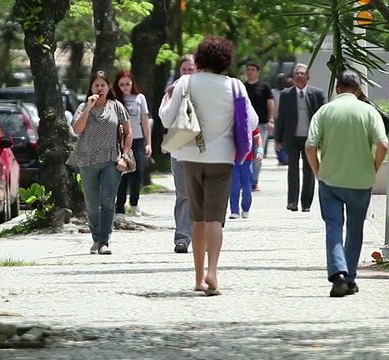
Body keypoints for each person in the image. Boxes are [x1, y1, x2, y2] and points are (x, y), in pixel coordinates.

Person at [160, 36, 258, 295]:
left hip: (190, 156)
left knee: (197, 218)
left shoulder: (186, 82)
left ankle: (197, 279)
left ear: (200, 57)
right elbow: (252, 122)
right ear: (225, 60)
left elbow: (167, 118)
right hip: (222, 159)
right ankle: (212, 272)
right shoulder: (236, 87)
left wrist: (166, 98)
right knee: (215, 217)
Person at [305, 70, 388, 297]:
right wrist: (373, 168)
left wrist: (318, 172)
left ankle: (338, 275)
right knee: (354, 229)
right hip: (360, 181)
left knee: (333, 226)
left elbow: (310, 147)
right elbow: (383, 145)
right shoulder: (369, 112)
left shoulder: (324, 112)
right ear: (359, 91)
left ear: (337, 88)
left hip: (330, 181)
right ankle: (349, 277)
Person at [66, 70, 133, 255]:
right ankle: (96, 238)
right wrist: (89, 107)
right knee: (92, 204)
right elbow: (78, 129)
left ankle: (104, 241)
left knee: (108, 202)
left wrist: (124, 156)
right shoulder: (83, 107)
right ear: (91, 88)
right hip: (87, 160)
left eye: (103, 85)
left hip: (112, 160)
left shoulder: (116, 106)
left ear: (108, 87)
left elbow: (128, 133)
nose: (100, 88)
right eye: (96, 85)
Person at [274, 63, 326, 212]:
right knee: (293, 170)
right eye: (296, 73)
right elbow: (281, 117)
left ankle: (306, 203)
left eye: (302, 73)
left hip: (310, 139)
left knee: (309, 171)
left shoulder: (317, 94)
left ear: (308, 77)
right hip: (292, 138)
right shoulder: (286, 94)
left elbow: (322, 117)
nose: (299, 76)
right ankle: (292, 202)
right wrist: (278, 137)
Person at [162, 54, 196, 254]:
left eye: (190, 70)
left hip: (202, 152)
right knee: (183, 196)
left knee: (202, 196)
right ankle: (182, 237)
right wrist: (169, 95)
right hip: (179, 151)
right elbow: (165, 119)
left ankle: (203, 236)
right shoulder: (173, 90)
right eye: (184, 70)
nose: (187, 74)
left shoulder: (205, 90)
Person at [113, 70, 152, 219]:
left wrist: (149, 144)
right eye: (121, 84)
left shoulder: (139, 98)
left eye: (127, 83)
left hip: (137, 139)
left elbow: (145, 122)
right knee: (121, 173)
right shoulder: (115, 99)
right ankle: (120, 207)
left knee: (137, 171)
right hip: (120, 140)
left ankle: (134, 203)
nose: (125, 87)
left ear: (132, 83)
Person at [243, 61, 274, 191]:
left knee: (258, 154)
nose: (250, 72)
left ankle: (253, 181)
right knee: (244, 153)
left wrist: (271, 120)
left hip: (260, 124)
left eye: (252, 70)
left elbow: (270, 103)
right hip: (244, 126)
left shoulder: (264, 87)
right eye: (248, 69)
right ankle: (243, 179)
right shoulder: (242, 86)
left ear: (257, 72)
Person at [229, 127, 263, 219]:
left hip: (247, 159)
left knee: (247, 186)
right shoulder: (229, 121)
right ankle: (234, 210)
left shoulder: (249, 121)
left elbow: (258, 137)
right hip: (232, 159)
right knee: (234, 186)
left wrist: (260, 151)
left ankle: (245, 209)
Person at [271, 73, 288, 165]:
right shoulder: (272, 92)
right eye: (279, 80)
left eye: (282, 80)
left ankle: (286, 157)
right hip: (277, 118)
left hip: (287, 119)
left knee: (286, 139)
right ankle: (281, 157)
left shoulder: (288, 92)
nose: (281, 82)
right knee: (278, 138)